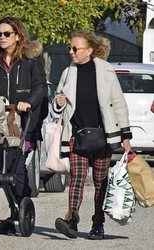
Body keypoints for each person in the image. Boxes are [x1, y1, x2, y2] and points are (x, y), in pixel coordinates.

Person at [53, 31, 132, 240]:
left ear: (89, 50)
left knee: (100, 182)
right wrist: (58, 102)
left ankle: (98, 224)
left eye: (75, 48)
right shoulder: (68, 72)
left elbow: (119, 104)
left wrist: (125, 135)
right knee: (76, 179)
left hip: (102, 136)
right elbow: (58, 99)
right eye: (69, 48)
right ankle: (71, 220)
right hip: (77, 136)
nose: (71, 52)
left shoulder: (106, 71)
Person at [0, 17, 47, 235]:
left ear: (18, 36)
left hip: (22, 122)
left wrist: (29, 103)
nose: (2, 38)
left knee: (17, 166)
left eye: (7, 34)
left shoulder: (31, 60)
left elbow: (40, 87)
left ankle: (20, 205)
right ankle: (3, 215)